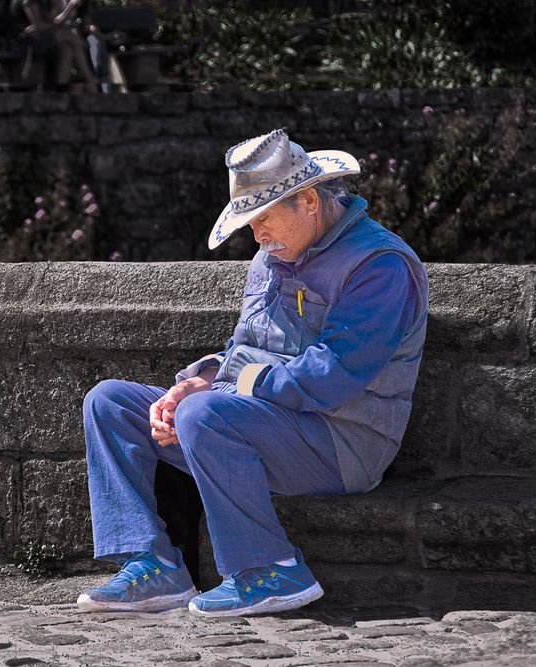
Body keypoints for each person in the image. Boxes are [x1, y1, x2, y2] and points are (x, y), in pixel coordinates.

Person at [78, 128, 429, 617]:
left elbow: (333, 375)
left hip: (343, 443)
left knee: (204, 414)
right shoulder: (271, 255)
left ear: (308, 200)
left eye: (264, 218)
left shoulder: (380, 266)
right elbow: (245, 348)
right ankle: (155, 565)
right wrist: (199, 380)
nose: (258, 235)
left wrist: (228, 388)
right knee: (109, 401)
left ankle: (272, 570)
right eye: (251, 223)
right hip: (259, 422)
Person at [11, 0, 98, 92]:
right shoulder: (29, 1)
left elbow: (48, 20)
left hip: (42, 35)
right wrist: (55, 23)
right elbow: (40, 26)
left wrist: (52, 23)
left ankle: (61, 90)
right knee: (71, 36)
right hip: (25, 41)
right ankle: (90, 79)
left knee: (67, 50)